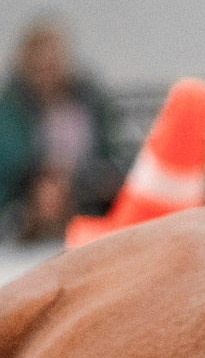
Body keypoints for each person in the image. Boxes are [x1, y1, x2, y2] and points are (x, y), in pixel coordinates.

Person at [0, 18, 122, 243]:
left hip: (87, 190)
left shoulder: (89, 101)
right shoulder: (11, 109)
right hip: (26, 198)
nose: (49, 73)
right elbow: (11, 165)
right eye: (40, 67)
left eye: (54, 64)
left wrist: (78, 180)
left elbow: (110, 154)